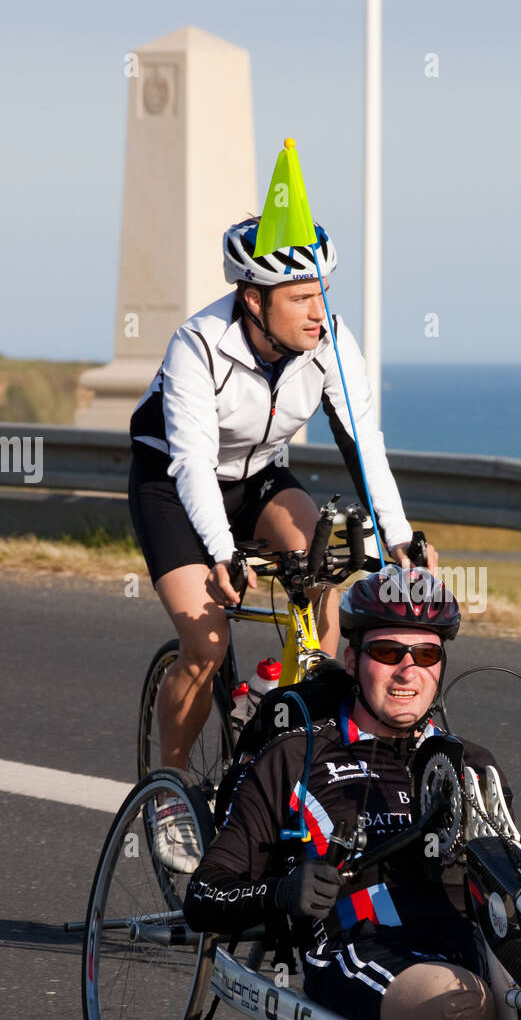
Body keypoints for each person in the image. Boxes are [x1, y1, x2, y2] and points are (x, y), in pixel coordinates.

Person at [127, 217, 437, 798]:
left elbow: (361, 440)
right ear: (253, 299)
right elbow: (191, 463)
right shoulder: (198, 345)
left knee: (326, 573)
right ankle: (166, 788)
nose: (318, 311)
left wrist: (399, 537)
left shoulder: (331, 343)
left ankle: (293, 718)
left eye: (321, 292)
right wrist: (222, 555)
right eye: (300, 298)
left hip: (259, 480)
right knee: (207, 645)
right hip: (173, 486)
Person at [183, 568, 504, 1020]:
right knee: (463, 1010)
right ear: (352, 661)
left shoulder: (471, 762)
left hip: (469, 939)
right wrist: (282, 893)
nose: (408, 670)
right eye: (388, 652)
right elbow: (204, 895)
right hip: (361, 942)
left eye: (427, 654)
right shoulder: (295, 756)